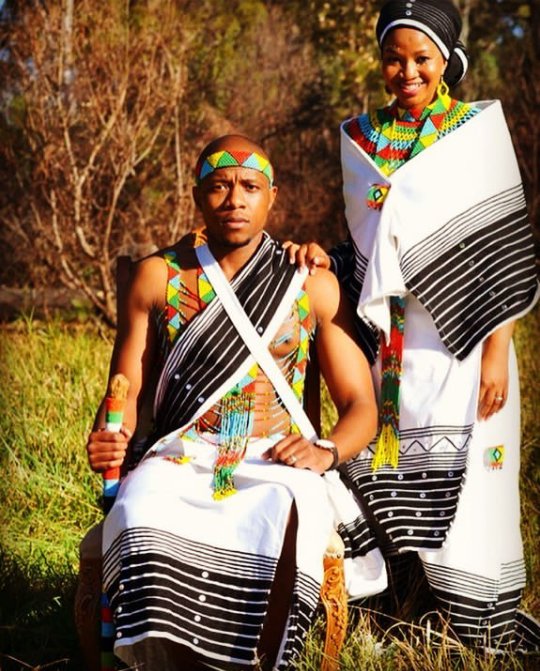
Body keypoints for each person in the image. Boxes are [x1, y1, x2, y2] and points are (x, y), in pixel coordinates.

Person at [292, 0, 540, 653]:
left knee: (472, 485)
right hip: (394, 346)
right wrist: (330, 258)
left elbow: (502, 249)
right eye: (394, 59)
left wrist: (495, 353)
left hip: (468, 339)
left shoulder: (475, 131)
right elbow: (370, 247)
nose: (406, 71)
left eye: (420, 58)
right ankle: (401, 612)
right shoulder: (362, 137)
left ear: (444, 60)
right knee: (391, 477)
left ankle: (476, 626)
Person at [84, 134, 382, 670]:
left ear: (273, 197)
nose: (234, 199)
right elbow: (124, 389)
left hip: (277, 457)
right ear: (198, 195)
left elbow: (362, 404)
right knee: (140, 507)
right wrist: (112, 434)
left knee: (286, 513)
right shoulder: (159, 276)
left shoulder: (307, 282)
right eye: (219, 186)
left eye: (250, 187)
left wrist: (326, 452)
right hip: (183, 453)